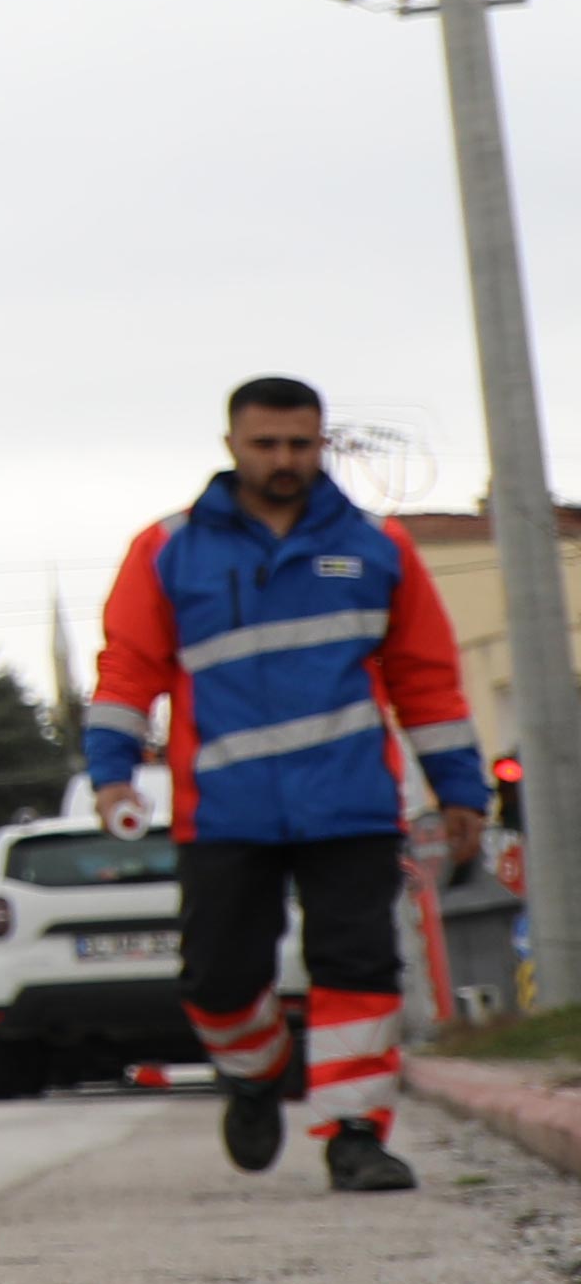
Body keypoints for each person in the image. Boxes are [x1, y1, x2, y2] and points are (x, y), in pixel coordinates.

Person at [85, 374, 480, 1193]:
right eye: (266, 444)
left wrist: (461, 793)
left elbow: (429, 683)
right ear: (232, 445)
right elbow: (127, 673)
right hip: (224, 807)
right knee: (219, 980)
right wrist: (111, 778)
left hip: (352, 803)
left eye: (300, 444)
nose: (284, 460)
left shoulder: (380, 550)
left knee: (359, 966)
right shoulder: (168, 549)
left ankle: (357, 1134)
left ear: (320, 443)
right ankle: (257, 1071)